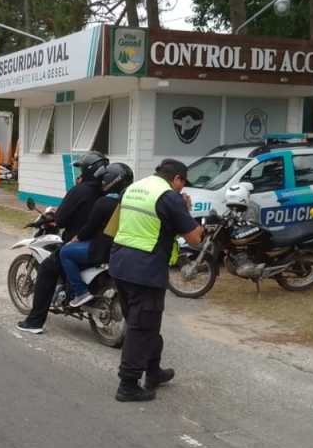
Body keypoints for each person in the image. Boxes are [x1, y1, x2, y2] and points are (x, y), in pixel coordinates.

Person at [109, 159, 204, 402]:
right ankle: (128, 384)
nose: (182, 190)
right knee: (142, 327)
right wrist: (185, 210)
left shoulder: (134, 188)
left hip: (120, 264)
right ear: (177, 179)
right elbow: (194, 238)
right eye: (183, 184)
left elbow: (120, 225)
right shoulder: (169, 196)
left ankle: (153, 371)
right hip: (145, 270)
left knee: (144, 323)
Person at [15, 151, 109, 334]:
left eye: (81, 169)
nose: (80, 173)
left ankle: (34, 322)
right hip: (102, 245)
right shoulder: (107, 193)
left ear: (89, 171)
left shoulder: (79, 190)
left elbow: (61, 219)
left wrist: (53, 219)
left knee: (46, 269)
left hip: (79, 244)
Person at [58, 162, 133, 308]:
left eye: (105, 179)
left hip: (102, 249)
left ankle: (80, 292)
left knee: (65, 252)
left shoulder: (103, 203)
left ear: (113, 180)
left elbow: (88, 229)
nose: (102, 182)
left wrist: (72, 241)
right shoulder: (129, 203)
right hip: (121, 249)